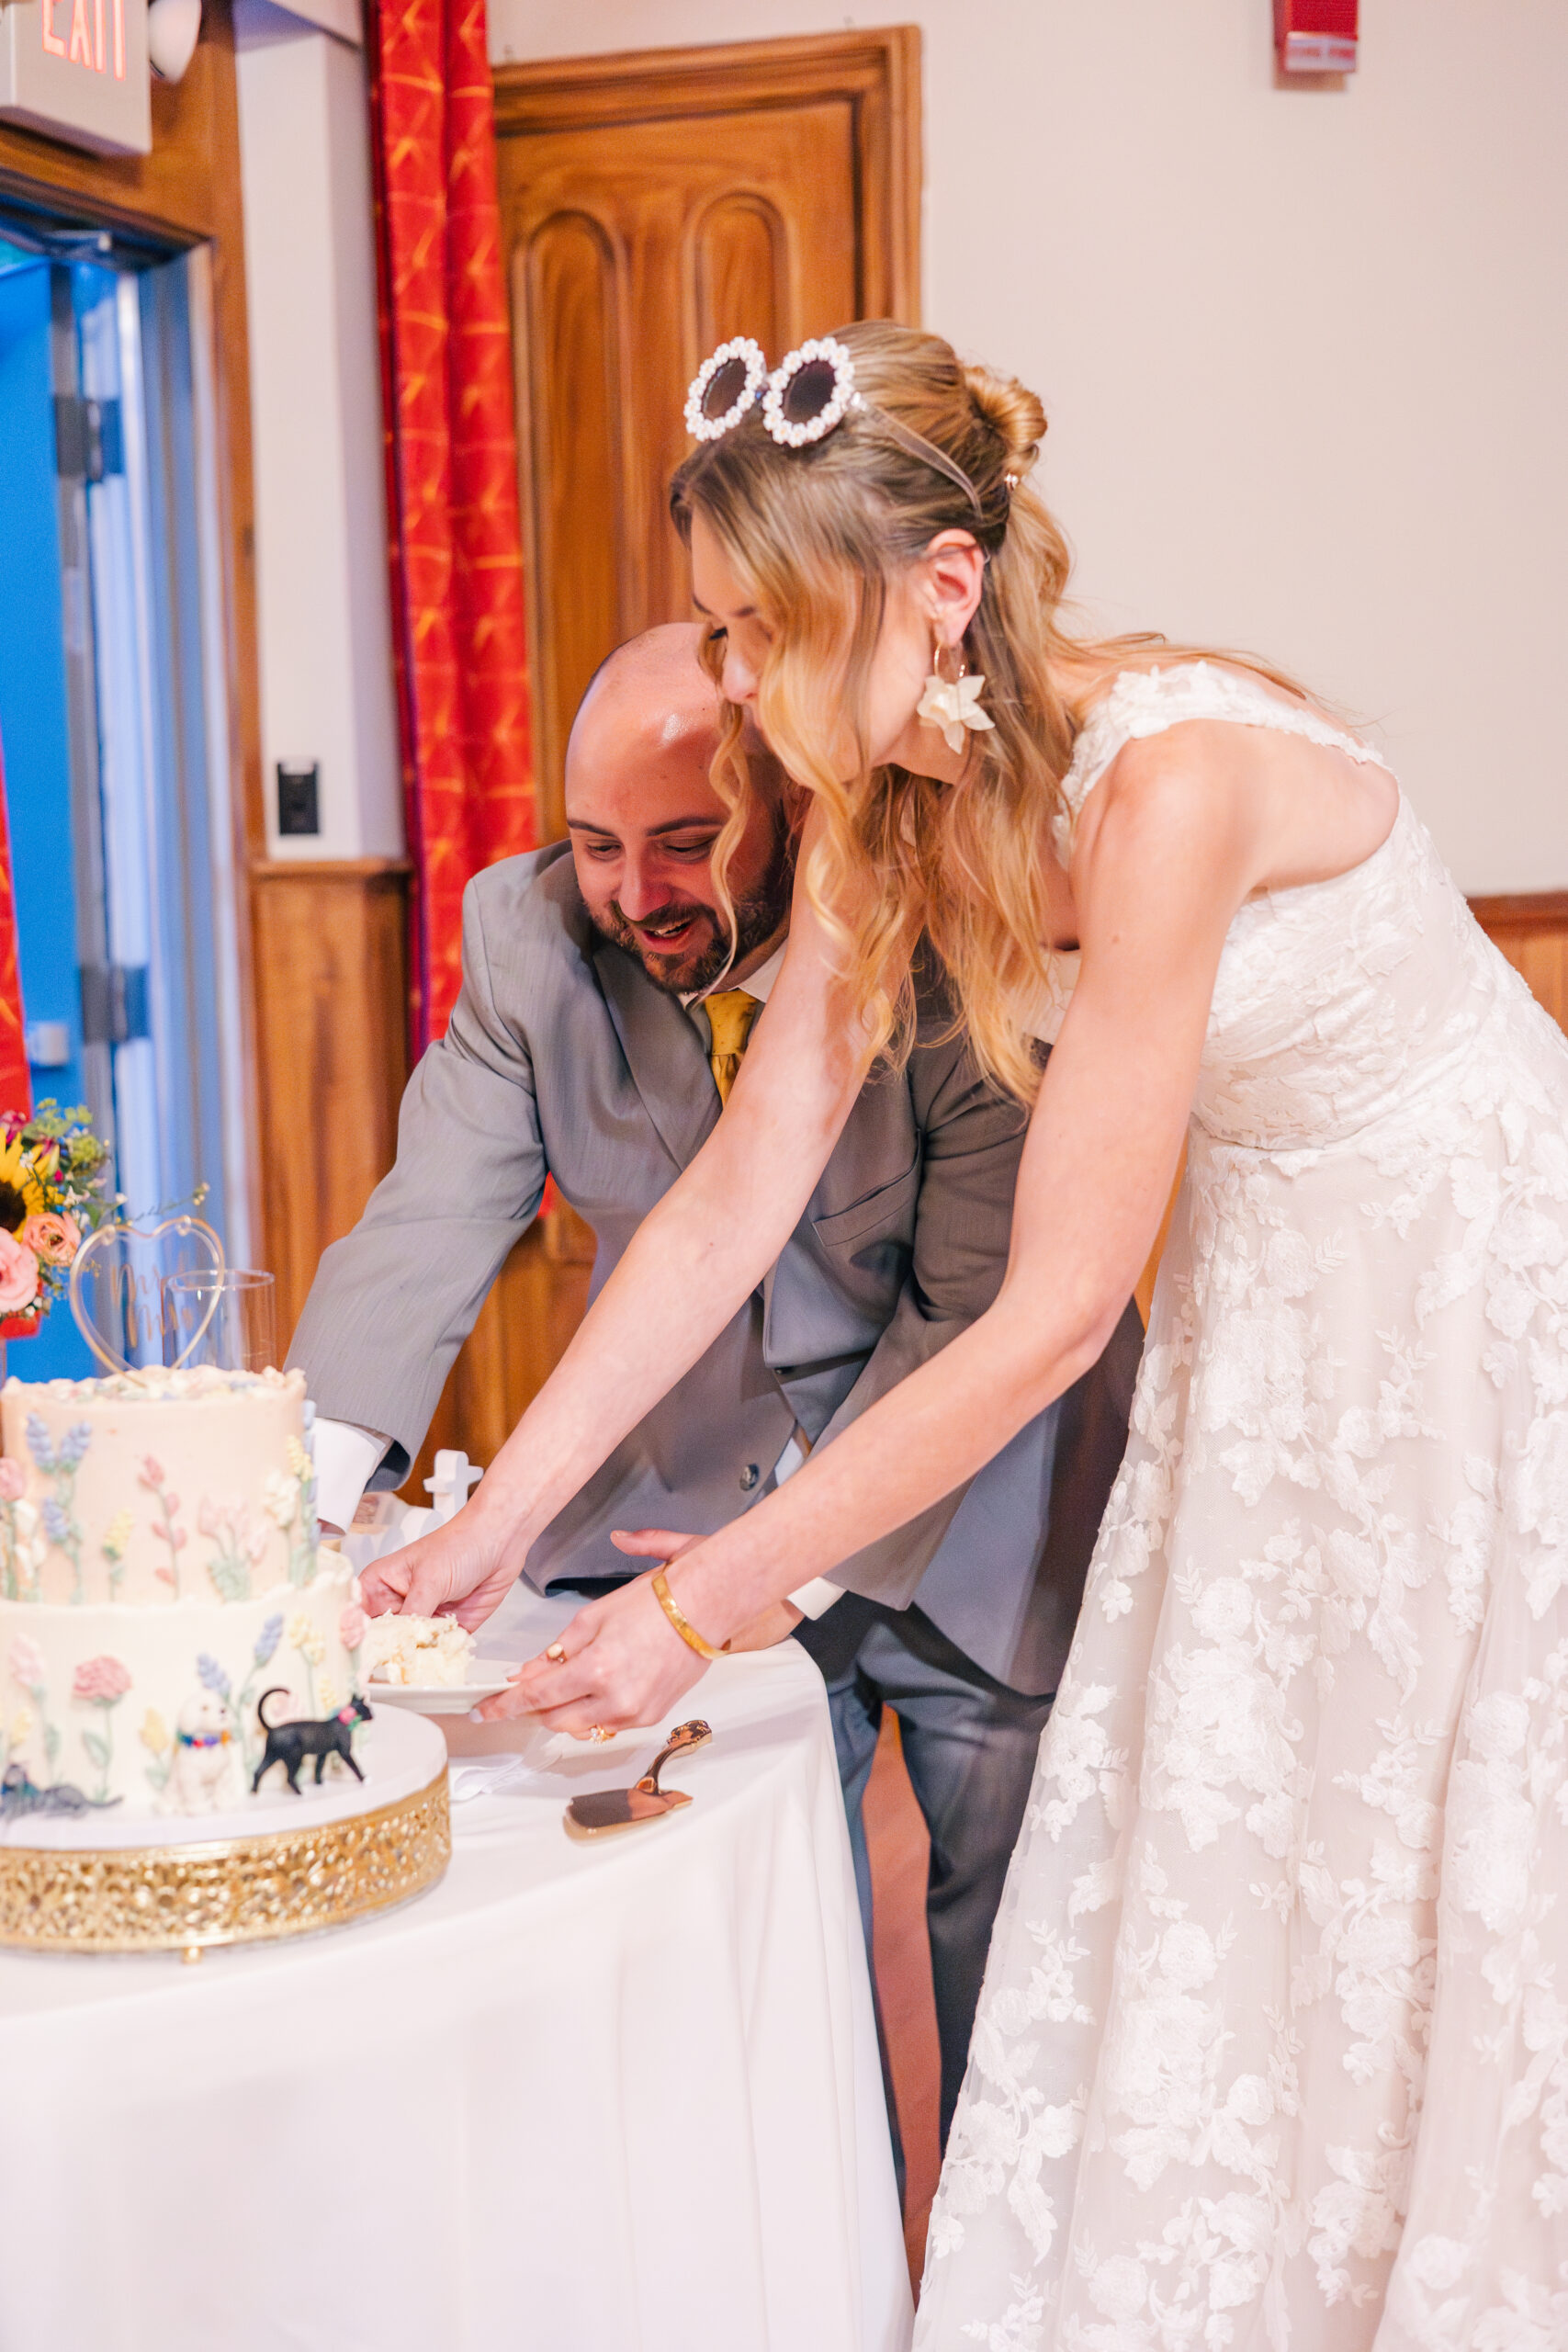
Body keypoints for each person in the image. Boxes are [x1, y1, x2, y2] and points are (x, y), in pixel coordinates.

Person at [369, 320, 1568, 2342]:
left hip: (1462, 1281)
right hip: (1272, 1285)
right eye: (719, 628)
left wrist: (703, 1601)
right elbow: (733, 1194)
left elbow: (1050, 1313)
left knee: (1446, 1816)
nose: (736, 682)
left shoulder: (1168, 787)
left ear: (938, 586)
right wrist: (494, 1525)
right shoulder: (885, 809)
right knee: (1266, 1826)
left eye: (769, 628)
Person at [293, 621, 1141, 2165]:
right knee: (755, 1985)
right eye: (594, 844)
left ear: (792, 805)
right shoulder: (527, 937)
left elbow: (973, 1309)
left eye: (683, 843)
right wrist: (306, 1490)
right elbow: (429, 1218)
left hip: (985, 1502)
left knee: (1021, 1983)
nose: (632, 894)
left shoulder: (952, 927)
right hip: (669, 1510)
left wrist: (770, 1569)